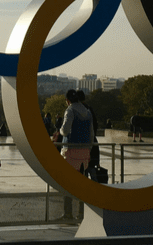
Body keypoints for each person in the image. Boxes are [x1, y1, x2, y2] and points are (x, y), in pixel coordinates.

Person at [59, 89, 93, 220]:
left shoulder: (70, 110)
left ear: (67, 101)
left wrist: (61, 131)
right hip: (85, 151)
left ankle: (68, 213)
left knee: (67, 182)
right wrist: (89, 149)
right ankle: (81, 213)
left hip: (71, 150)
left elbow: (66, 130)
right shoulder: (88, 112)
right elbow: (91, 134)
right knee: (82, 183)